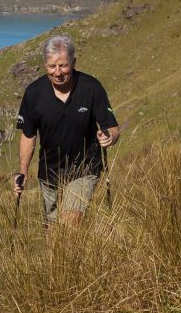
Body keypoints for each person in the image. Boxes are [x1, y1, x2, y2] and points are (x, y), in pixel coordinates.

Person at [14, 35, 120, 228]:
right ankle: (62, 259)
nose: (57, 73)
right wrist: (23, 172)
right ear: (45, 65)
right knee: (53, 231)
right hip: (50, 171)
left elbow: (112, 126)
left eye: (63, 66)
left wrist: (110, 137)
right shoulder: (34, 93)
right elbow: (28, 136)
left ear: (74, 62)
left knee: (70, 224)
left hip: (84, 169)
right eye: (51, 66)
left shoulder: (91, 88)